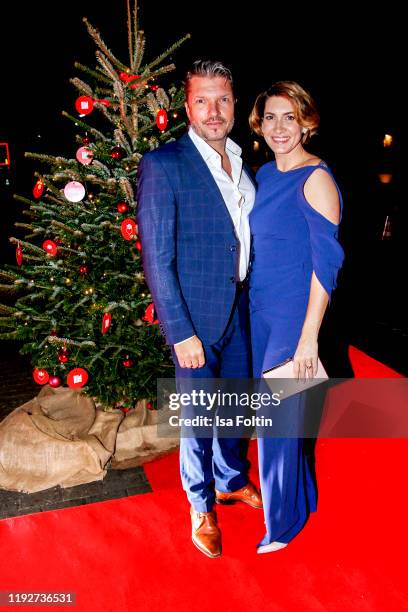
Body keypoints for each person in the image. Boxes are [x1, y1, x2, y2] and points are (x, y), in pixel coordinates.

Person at [137, 60, 262, 559]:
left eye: (223, 99)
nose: (214, 111)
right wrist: (179, 331)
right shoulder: (164, 163)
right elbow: (156, 257)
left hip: (243, 310)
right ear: (186, 106)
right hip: (194, 319)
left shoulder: (241, 159)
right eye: (203, 100)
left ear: (234, 104)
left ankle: (231, 480)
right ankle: (200, 505)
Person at [248, 81, 345, 553]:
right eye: (270, 117)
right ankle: (301, 500)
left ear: (307, 121)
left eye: (289, 117)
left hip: (292, 317)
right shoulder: (263, 175)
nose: (279, 127)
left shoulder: (317, 178)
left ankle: (281, 525)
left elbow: (326, 265)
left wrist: (309, 337)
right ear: (259, 124)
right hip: (258, 310)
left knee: (275, 424)